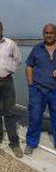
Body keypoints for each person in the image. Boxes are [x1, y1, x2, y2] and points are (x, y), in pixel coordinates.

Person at [24, 23, 56, 155]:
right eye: (46, 33)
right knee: (34, 117)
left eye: (51, 33)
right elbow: (29, 66)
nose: (49, 35)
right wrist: (30, 84)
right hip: (37, 90)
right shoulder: (37, 48)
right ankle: (31, 143)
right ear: (43, 34)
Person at [0, 21, 23, 158]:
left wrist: (9, 70)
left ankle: (14, 143)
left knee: (9, 113)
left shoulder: (10, 44)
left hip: (7, 82)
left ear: (2, 29)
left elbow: (18, 60)